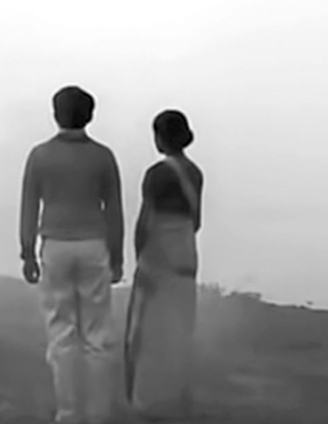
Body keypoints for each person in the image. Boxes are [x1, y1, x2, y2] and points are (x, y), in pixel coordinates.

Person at [19, 85, 125, 424]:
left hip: (55, 244)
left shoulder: (40, 155)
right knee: (97, 333)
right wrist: (117, 255)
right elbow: (114, 210)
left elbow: (29, 206)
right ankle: (98, 413)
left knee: (61, 332)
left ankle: (68, 413)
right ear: (90, 116)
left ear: (55, 114)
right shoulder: (103, 156)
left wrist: (27, 251)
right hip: (93, 243)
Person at [124, 109, 204, 421]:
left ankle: (146, 401)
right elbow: (196, 221)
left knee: (147, 330)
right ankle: (177, 395)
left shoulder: (157, 174)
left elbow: (146, 220)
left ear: (160, 137)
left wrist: (139, 258)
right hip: (186, 252)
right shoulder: (195, 172)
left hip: (159, 255)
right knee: (179, 326)